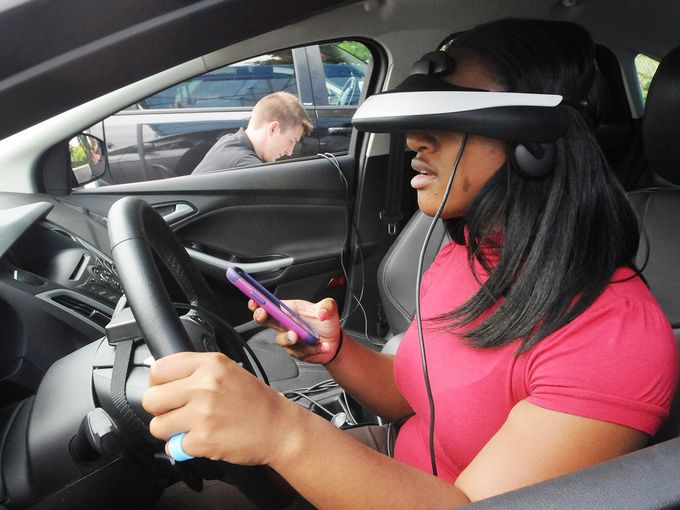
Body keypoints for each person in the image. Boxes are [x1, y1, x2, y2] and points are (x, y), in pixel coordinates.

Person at [144, 19, 678, 509]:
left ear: (534, 141)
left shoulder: (613, 336)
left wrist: (281, 430)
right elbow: (419, 397)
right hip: (399, 462)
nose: (416, 141)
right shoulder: (466, 249)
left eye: (449, 119)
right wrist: (336, 351)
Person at [191, 91, 313, 175]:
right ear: (273, 129)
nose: (290, 152)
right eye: (291, 141)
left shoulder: (229, 141)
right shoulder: (247, 165)